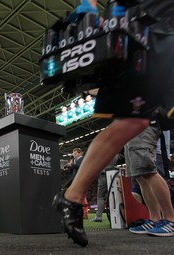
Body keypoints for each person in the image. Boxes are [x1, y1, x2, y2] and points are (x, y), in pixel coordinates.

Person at [53, 0, 174, 247]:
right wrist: (88, 6)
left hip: (154, 29)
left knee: (134, 120)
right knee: (134, 120)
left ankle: (72, 196)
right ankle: (73, 195)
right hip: (149, 29)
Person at [123, 124, 174, 235]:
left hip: (143, 122)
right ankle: (155, 219)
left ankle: (170, 219)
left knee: (149, 172)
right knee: (140, 176)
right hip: (130, 126)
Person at [90, 154, 119, 222]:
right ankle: (117, 217)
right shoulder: (115, 149)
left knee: (100, 197)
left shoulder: (103, 149)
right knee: (115, 195)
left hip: (104, 174)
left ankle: (98, 217)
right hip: (113, 173)